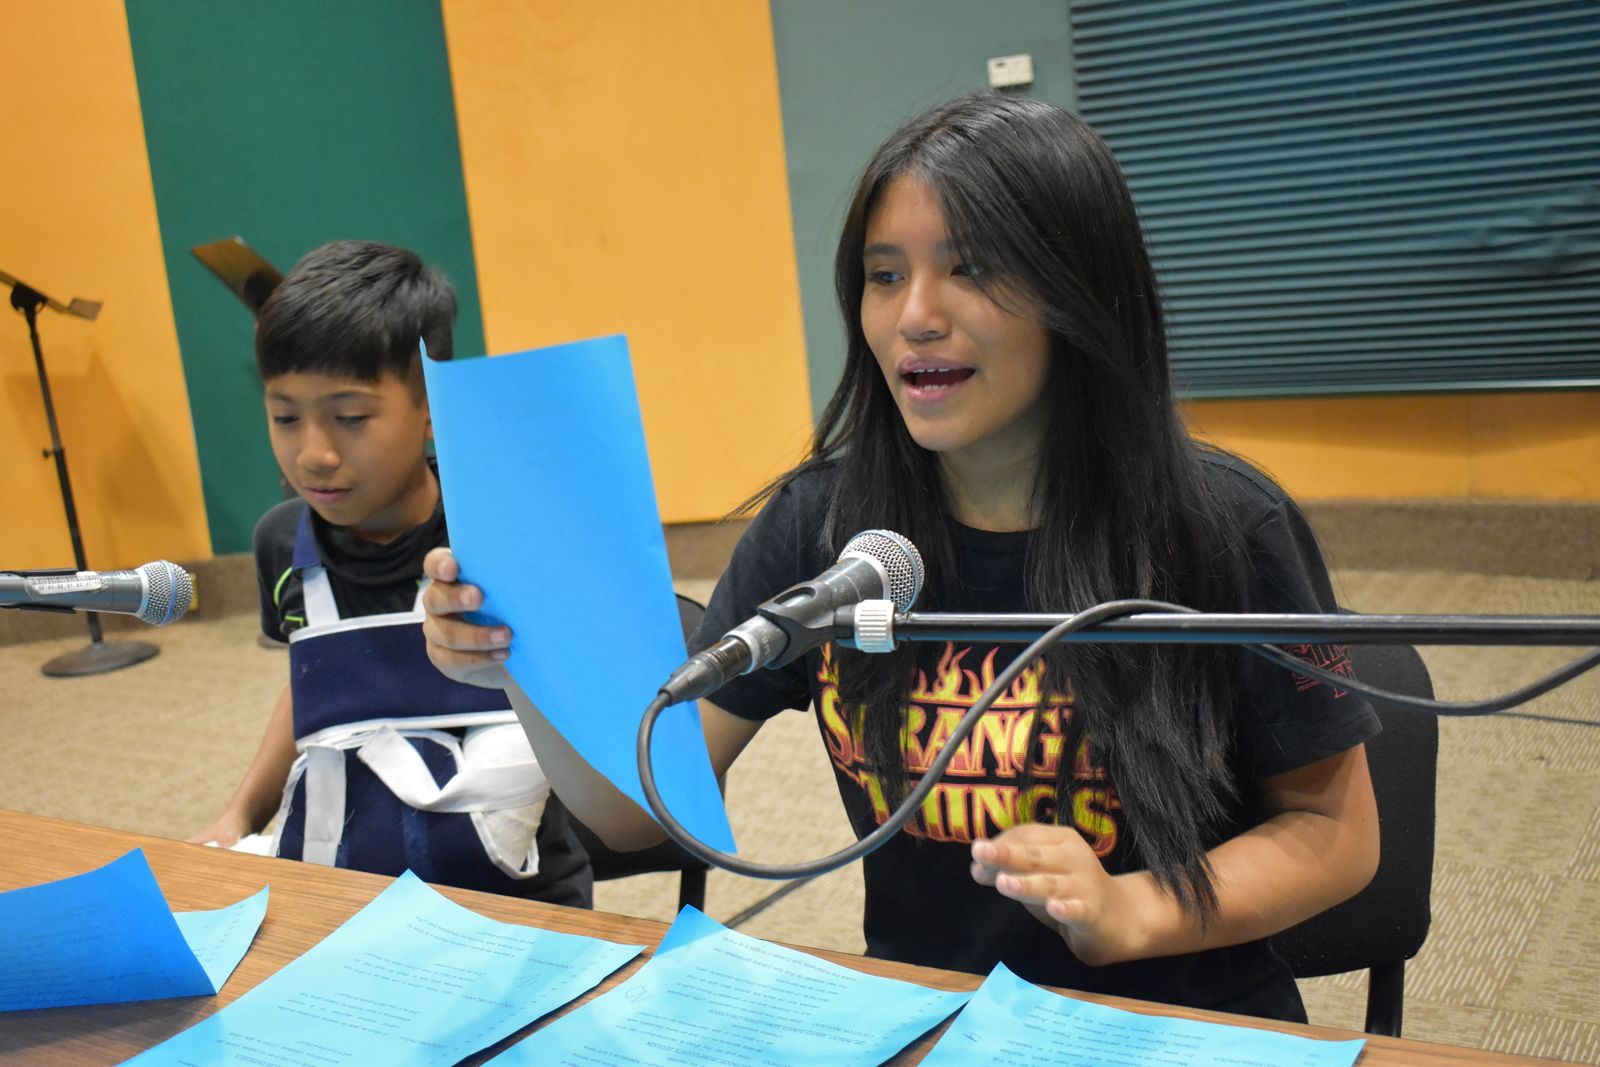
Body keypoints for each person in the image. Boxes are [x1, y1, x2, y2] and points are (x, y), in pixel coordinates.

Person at [420, 95, 1379, 1019]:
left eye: (971, 269)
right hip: (934, 1023)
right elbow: (639, 813)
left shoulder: (1223, 529)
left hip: (1183, 1025)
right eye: (884, 276)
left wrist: (1133, 910)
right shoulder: (823, 528)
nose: (915, 314)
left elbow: (1336, 836)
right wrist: (515, 656)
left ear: (1081, 291)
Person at [188, 239, 591, 907]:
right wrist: (238, 815)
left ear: (432, 406)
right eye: (285, 416)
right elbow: (315, 684)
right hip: (345, 895)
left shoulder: (505, 540)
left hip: (517, 903)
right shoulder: (280, 543)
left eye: (349, 418)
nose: (312, 454)